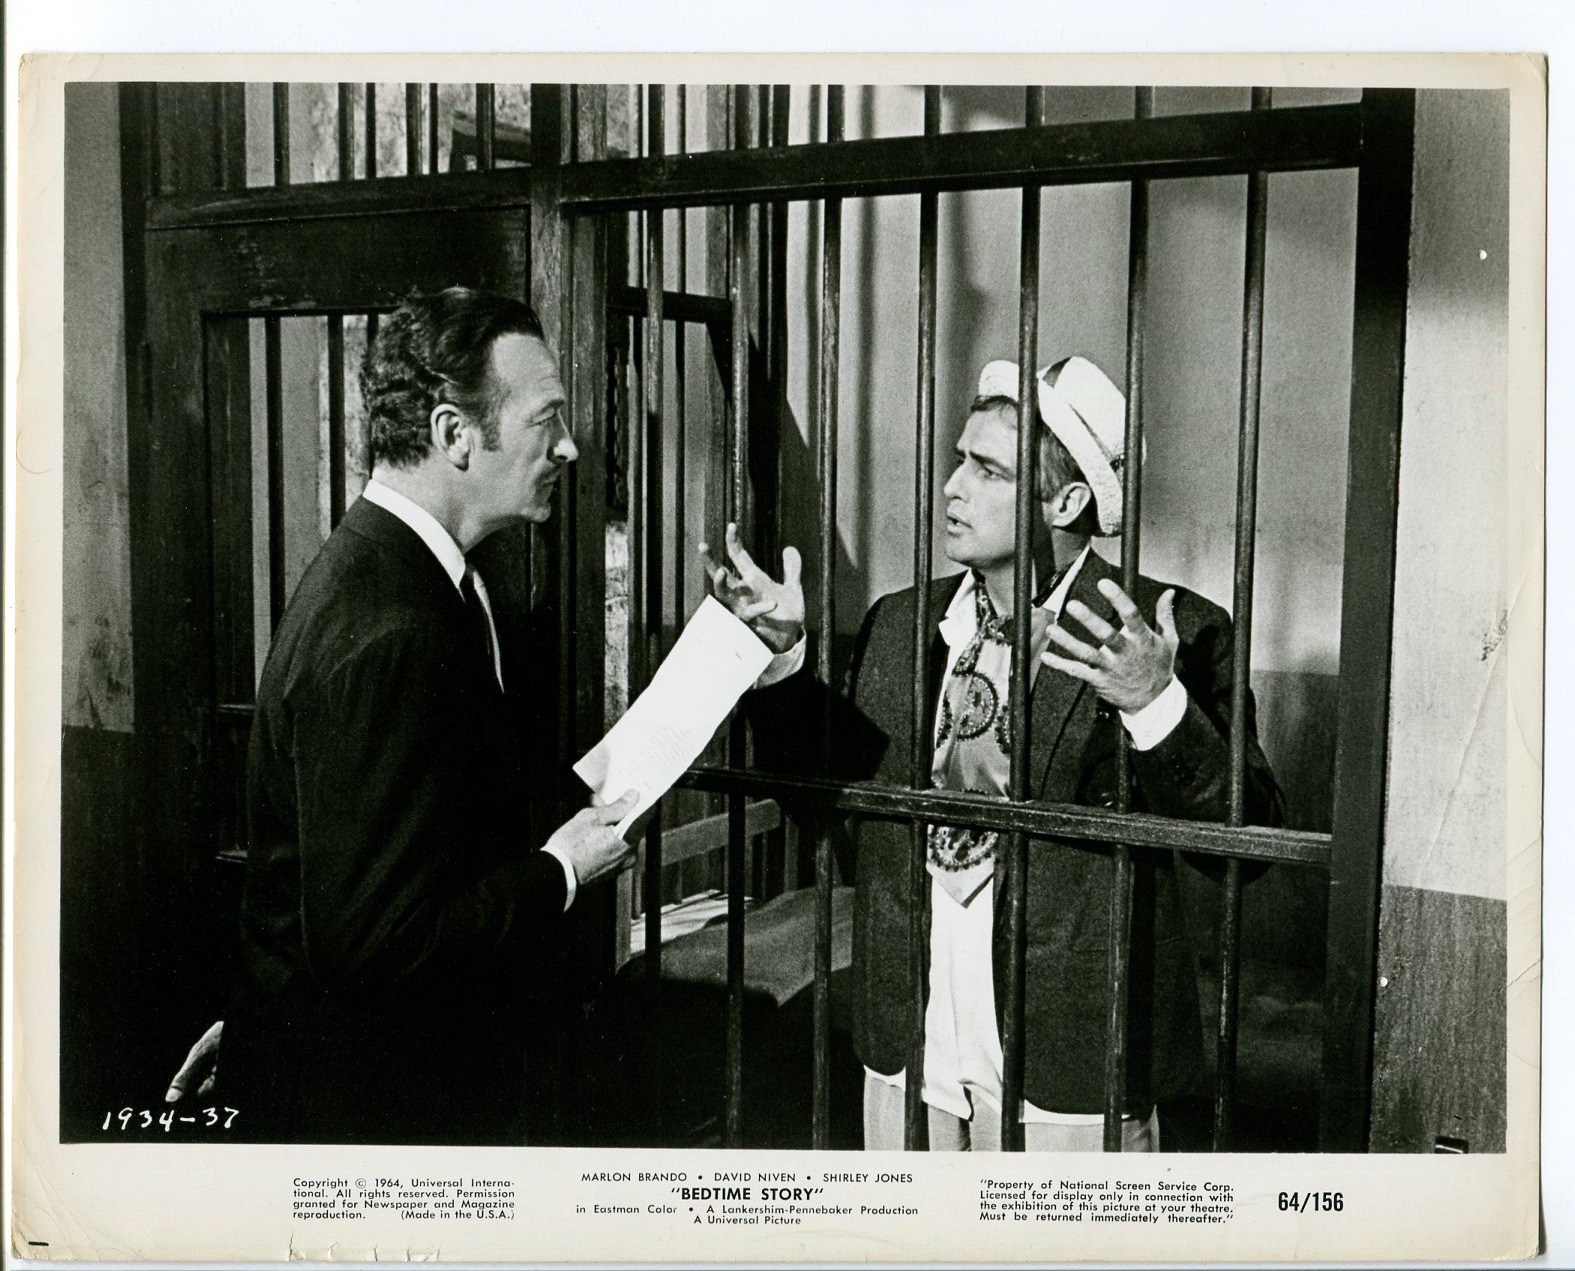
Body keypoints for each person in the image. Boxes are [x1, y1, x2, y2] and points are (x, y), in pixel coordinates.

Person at [702, 356, 1283, 1152]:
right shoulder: (899, 623)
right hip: (907, 1048)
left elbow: (1248, 842)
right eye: (958, 460)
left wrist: (1155, 702)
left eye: (987, 470)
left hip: (1072, 1067)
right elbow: (828, 799)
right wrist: (780, 664)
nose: (951, 488)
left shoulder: (1165, 629)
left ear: (1066, 501)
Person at [169, 287, 637, 1144]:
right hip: (364, 1114)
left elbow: (347, 871)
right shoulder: (393, 628)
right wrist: (561, 870)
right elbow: (376, 944)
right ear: (454, 434)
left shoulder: (406, 576)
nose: (569, 447)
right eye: (547, 419)